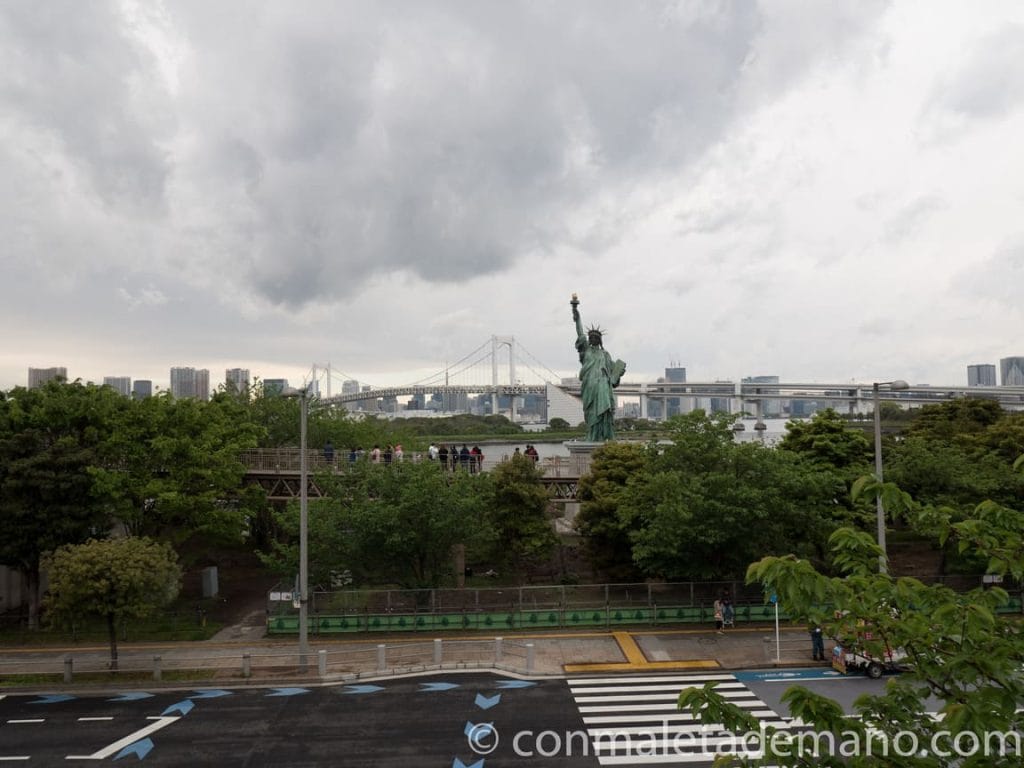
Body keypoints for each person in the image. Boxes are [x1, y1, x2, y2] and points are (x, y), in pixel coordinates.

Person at [571, 294, 626, 442]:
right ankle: (592, 435)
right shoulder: (586, 351)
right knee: (590, 412)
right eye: (591, 337)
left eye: (596, 337)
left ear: (599, 340)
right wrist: (576, 312)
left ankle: (603, 435)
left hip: (603, 385)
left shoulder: (605, 354)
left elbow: (615, 374)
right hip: (590, 385)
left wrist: (619, 371)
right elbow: (579, 332)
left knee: (605, 410)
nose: (592, 339)